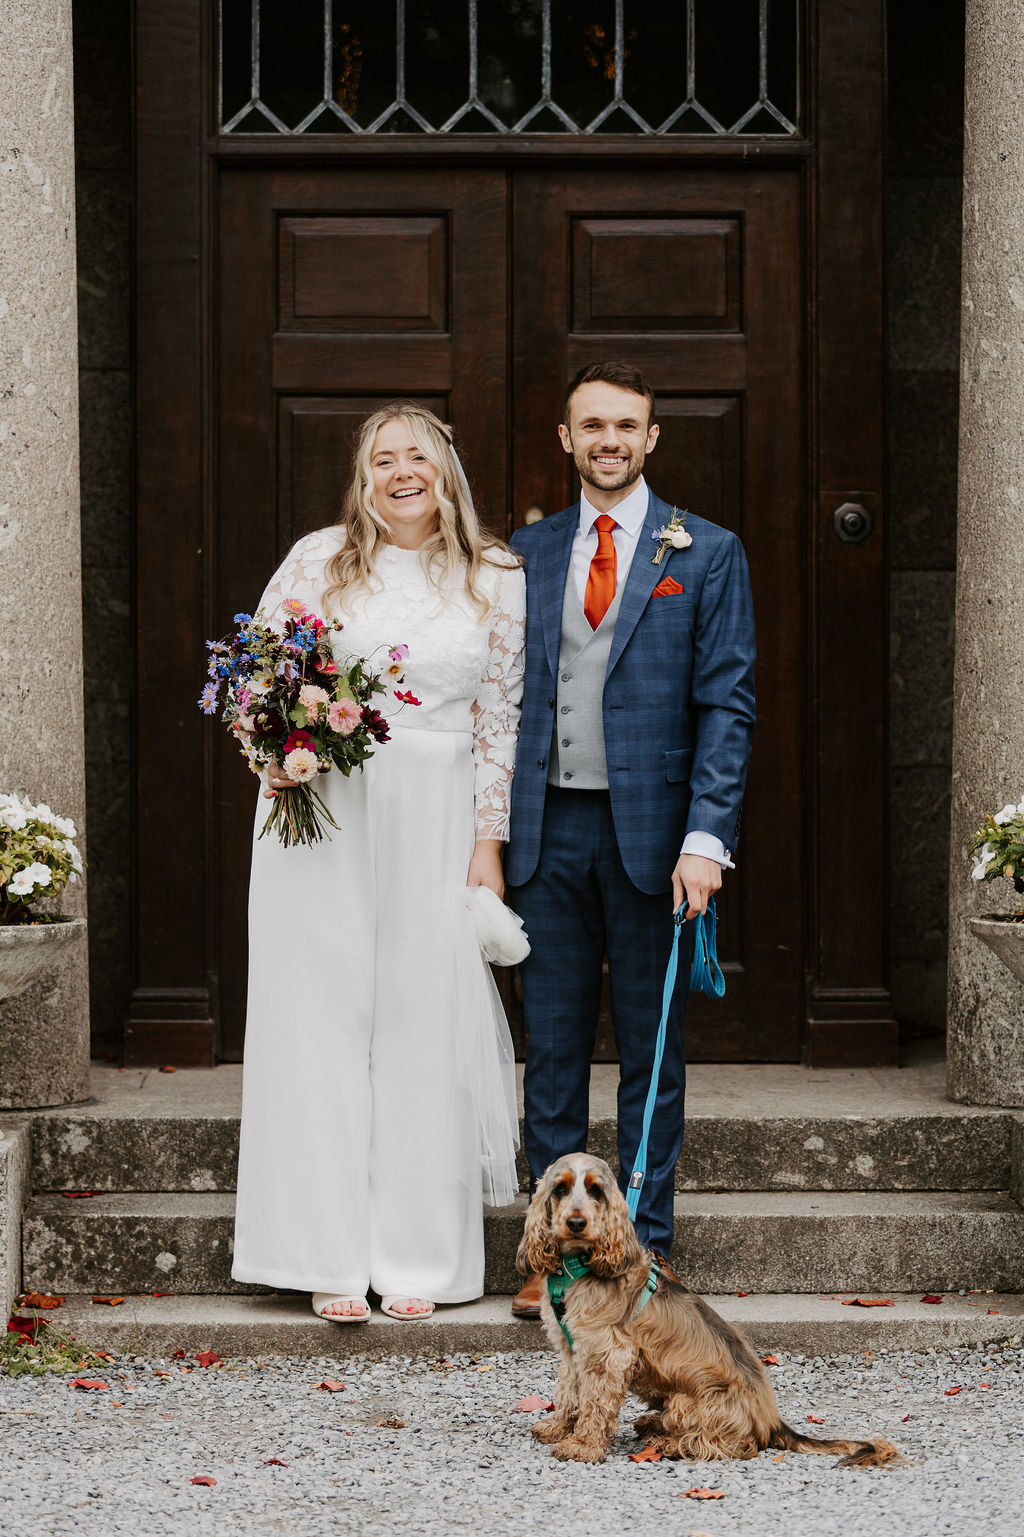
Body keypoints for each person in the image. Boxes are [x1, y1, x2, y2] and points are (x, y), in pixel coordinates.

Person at [231, 403, 525, 1322]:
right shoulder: (319, 560)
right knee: (316, 1017)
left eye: (418, 457)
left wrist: (487, 845)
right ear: (363, 478)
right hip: (323, 804)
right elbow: (255, 681)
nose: (402, 473)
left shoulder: (496, 573)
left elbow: (501, 718)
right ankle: (321, 1252)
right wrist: (272, 750)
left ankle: (416, 1257)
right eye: (383, 459)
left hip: (438, 811)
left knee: (421, 1019)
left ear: (446, 471)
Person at [506, 361, 756, 1318]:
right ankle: (552, 1256)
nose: (608, 440)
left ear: (651, 437)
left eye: (626, 426)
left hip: (657, 839)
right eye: (592, 425)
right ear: (566, 439)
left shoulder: (709, 551)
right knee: (553, 1046)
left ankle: (642, 1247)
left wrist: (707, 836)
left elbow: (727, 703)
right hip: (547, 831)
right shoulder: (525, 553)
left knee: (654, 1052)